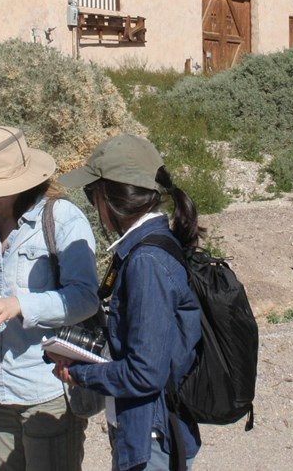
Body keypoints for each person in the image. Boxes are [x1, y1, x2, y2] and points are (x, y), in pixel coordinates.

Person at [0, 125, 101, 471]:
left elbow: (85, 298)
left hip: (50, 391)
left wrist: (21, 305)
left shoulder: (61, 219)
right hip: (0, 391)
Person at [51, 134, 204, 471]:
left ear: (107, 196)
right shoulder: (150, 246)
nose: (93, 206)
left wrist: (81, 373)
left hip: (150, 437)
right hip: (146, 430)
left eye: (92, 195)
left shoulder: (146, 260)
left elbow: (145, 374)